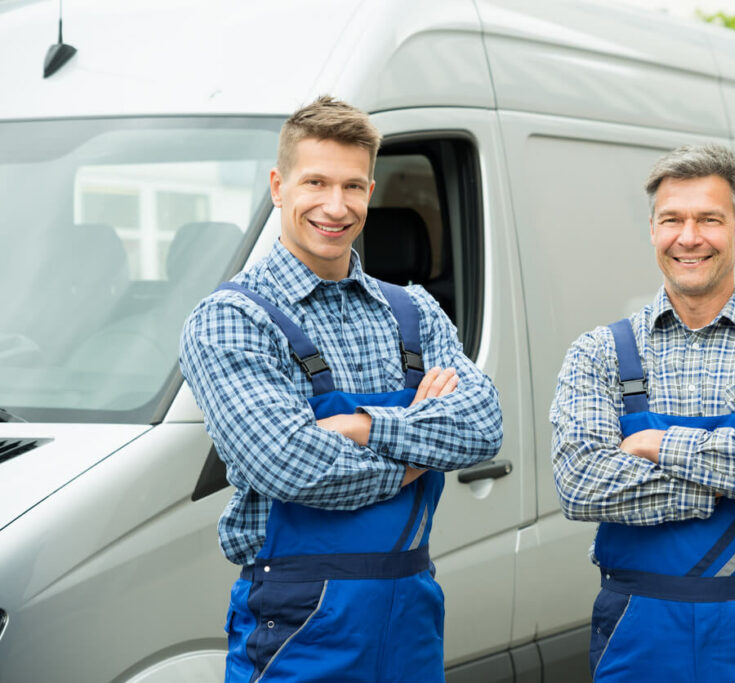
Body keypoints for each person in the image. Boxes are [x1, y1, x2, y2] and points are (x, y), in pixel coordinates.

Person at [179, 96, 502, 683]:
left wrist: (362, 427)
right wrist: (418, 454)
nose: (336, 206)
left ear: (371, 190)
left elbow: (483, 428)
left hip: (412, 614)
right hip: (298, 625)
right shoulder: (232, 319)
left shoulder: (414, 310)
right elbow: (292, 466)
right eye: (316, 182)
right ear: (278, 185)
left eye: (352, 186)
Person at [550, 144, 735, 682]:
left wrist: (655, 446)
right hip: (639, 631)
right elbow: (580, 484)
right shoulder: (599, 351)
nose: (689, 237)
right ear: (653, 230)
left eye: (709, 219)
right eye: (672, 220)